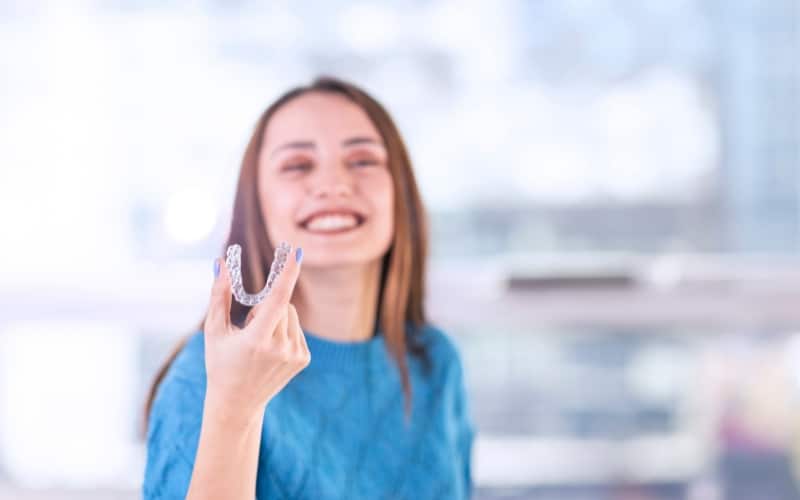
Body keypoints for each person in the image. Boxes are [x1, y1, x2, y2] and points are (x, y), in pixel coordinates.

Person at [142, 77, 475, 499]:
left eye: (363, 161)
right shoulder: (207, 376)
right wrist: (234, 406)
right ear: (256, 205)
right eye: (297, 165)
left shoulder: (435, 363)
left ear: (401, 193)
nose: (333, 184)